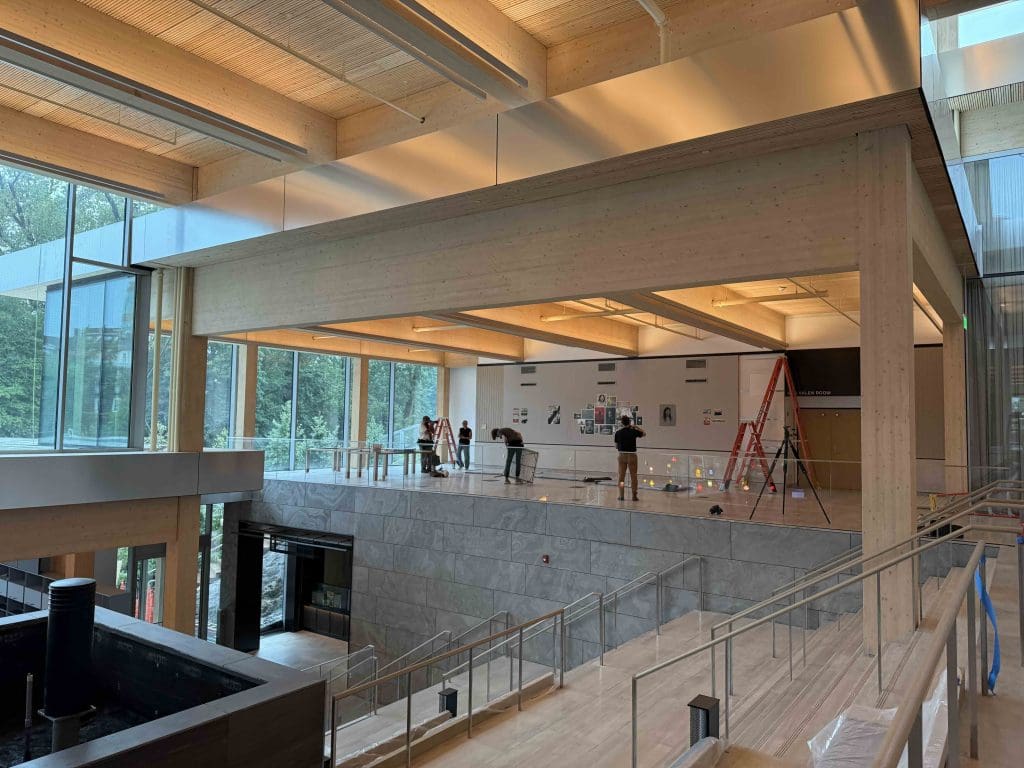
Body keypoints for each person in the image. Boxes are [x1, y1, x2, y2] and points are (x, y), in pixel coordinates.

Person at [614, 414, 646, 501]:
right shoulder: (633, 431)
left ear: (622, 423)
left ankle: (621, 495)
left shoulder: (618, 433)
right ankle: (634, 495)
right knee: (633, 476)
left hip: (622, 455)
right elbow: (644, 433)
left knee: (621, 477)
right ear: (629, 422)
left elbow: (616, 446)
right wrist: (636, 427)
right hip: (632, 456)